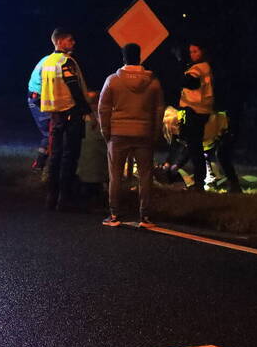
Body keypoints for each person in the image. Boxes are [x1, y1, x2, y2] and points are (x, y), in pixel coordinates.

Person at [97, 43, 164, 227]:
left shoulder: (112, 81)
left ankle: (114, 215)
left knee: (115, 176)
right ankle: (145, 216)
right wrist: (156, 132)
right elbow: (159, 110)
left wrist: (106, 131)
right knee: (145, 175)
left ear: (123, 57)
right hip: (144, 133)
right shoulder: (153, 82)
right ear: (140, 57)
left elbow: (103, 109)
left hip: (118, 134)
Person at [39, 27, 92, 210]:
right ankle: (65, 198)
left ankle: (50, 197)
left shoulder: (47, 62)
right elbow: (73, 86)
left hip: (55, 116)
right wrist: (86, 108)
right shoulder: (65, 61)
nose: (73, 43)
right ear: (60, 42)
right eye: (70, 40)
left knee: (55, 155)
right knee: (70, 156)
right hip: (70, 113)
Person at [177, 41, 214, 191]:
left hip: (194, 112)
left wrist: (179, 65)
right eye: (191, 52)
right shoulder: (207, 67)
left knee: (195, 148)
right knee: (195, 147)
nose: (192, 54)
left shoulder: (198, 68)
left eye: (195, 51)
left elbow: (190, 83)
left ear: (203, 51)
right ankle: (199, 182)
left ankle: (199, 184)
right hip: (202, 111)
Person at [26, 53, 50, 169]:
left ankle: (41, 165)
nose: (73, 43)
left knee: (51, 133)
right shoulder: (55, 62)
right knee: (51, 133)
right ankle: (40, 165)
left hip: (37, 97)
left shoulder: (48, 59)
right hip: (39, 98)